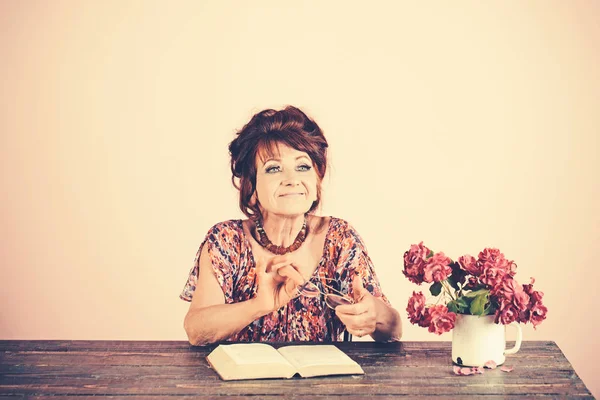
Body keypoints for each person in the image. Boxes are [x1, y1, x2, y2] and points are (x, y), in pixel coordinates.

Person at [181, 106, 402, 345]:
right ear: (252, 189)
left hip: (323, 380)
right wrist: (258, 305)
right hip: (242, 381)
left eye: (303, 166)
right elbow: (196, 330)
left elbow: (394, 330)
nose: (291, 179)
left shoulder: (340, 238)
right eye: (274, 168)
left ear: (317, 181)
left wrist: (374, 315)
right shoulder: (226, 240)